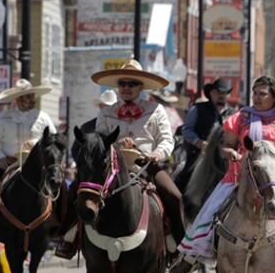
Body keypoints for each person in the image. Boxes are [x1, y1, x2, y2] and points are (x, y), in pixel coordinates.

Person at [169, 75, 275, 273]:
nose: (256, 97)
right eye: (254, 93)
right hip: (240, 178)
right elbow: (225, 146)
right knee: (209, 212)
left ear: (274, 96)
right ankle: (190, 257)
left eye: (262, 93)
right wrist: (230, 153)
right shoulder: (240, 118)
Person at [57, 60, 185, 260]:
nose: (126, 88)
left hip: (146, 165)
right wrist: (115, 147)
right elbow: (98, 141)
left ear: (141, 87)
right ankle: (68, 238)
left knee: (175, 196)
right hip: (112, 167)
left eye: (132, 84)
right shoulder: (106, 111)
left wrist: (156, 154)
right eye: (122, 84)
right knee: (79, 189)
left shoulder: (156, 110)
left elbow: (167, 141)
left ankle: (180, 247)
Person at [0, 79, 56, 201]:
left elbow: (54, 140)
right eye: (28, 97)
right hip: (9, 162)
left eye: (33, 96)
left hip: (38, 163)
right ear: (19, 99)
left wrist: (37, 144)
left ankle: (64, 217)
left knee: (57, 185)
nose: (33, 100)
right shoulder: (4, 117)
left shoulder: (43, 117)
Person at [181, 78, 232, 167]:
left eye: (224, 93)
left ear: (228, 96)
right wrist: (198, 142)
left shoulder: (233, 114)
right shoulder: (197, 109)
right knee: (183, 177)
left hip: (225, 159)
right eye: (217, 92)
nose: (221, 96)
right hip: (199, 156)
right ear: (211, 94)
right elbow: (186, 129)